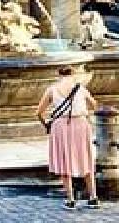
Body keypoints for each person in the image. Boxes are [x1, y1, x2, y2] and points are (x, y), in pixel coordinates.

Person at [36, 65, 99, 210]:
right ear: (73, 74)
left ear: (59, 75)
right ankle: (93, 197)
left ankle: (70, 199)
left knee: (65, 161)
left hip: (60, 125)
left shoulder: (52, 89)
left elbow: (39, 112)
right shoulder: (80, 88)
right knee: (85, 158)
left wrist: (46, 125)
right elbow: (95, 105)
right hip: (81, 123)